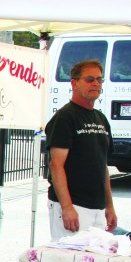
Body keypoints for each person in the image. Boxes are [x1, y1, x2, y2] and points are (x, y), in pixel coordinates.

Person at [46, 59, 118, 240]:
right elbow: (56, 165)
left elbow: (102, 167)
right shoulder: (64, 118)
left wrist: (109, 206)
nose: (96, 84)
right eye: (90, 79)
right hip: (74, 206)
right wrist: (67, 207)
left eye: (100, 80)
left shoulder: (101, 118)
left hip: (97, 207)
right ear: (74, 83)